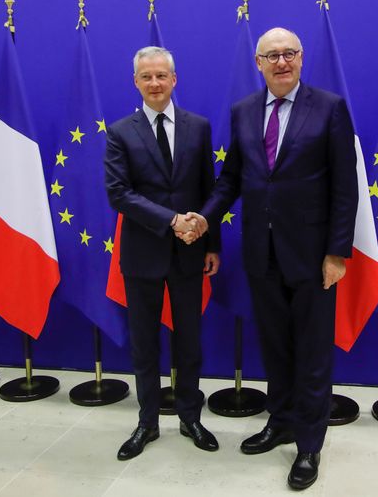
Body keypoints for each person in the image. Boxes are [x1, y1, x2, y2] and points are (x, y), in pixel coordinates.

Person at [191, 27, 358, 490]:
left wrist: (337, 253)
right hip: (260, 255)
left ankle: (309, 444)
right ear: (258, 63)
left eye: (289, 54)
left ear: (302, 59)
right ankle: (281, 420)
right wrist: (204, 219)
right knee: (276, 347)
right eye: (272, 56)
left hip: (312, 257)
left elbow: (346, 188)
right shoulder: (243, 112)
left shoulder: (329, 108)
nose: (281, 62)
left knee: (311, 352)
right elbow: (231, 181)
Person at [104, 46, 220, 460]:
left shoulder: (199, 127)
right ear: (135, 82)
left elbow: (210, 189)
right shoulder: (120, 132)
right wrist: (172, 221)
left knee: (189, 340)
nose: (155, 83)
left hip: (192, 253)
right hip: (143, 254)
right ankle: (147, 421)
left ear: (174, 79)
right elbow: (119, 194)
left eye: (161, 76)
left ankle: (190, 416)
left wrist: (211, 243)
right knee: (145, 343)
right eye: (146, 77)